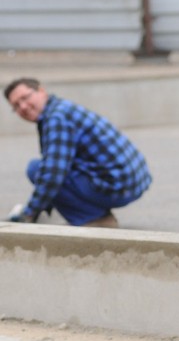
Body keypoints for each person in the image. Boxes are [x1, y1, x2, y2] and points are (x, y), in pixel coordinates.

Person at [5, 77, 152, 228]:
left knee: (36, 169)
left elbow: (52, 174)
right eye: (16, 105)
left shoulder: (56, 118)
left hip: (120, 187)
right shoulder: (61, 108)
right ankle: (91, 212)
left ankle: (95, 219)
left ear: (41, 91)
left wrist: (29, 214)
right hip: (133, 182)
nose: (22, 106)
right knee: (46, 169)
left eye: (25, 97)